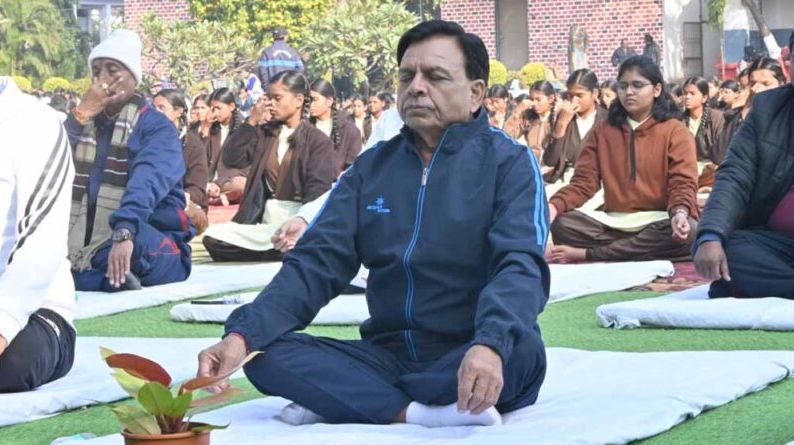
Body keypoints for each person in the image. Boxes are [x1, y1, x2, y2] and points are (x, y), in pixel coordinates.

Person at [196, 20, 548, 428]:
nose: (416, 88)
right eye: (407, 76)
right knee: (265, 356)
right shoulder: (373, 167)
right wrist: (241, 338)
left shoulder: (509, 163)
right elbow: (316, 264)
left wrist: (490, 344)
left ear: (476, 93)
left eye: (435, 76)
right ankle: (417, 413)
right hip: (389, 355)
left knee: (520, 353)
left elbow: (520, 266)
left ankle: (355, 399)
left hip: (470, 348)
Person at [63, 30, 194, 292]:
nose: (102, 80)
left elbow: (147, 182)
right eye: (96, 72)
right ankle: (103, 279)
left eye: (113, 70)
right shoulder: (87, 124)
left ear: (134, 78)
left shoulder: (156, 127)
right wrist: (80, 115)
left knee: (127, 249)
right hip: (85, 240)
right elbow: (48, 161)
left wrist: (125, 230)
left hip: (146, 235)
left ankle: (88, 277)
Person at [547, 56, 699, 263]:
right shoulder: (603, 129)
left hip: (661, 219)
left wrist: (680, 213)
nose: (629, 92)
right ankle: (631, 250)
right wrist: (554, 206)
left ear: (656, 90)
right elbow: (584, 182)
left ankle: (591, 254)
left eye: (637, 85)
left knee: (690, 231)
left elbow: (682, 182)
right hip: (613, 223)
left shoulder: (675, 130)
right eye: (623, 86)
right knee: (562, 224)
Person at [693, 27, 794, 300]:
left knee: (732, 278)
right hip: (779, 243)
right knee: (726, 247)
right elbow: (734, 175)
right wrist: (711, 235)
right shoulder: (767, 109)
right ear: (789, 65)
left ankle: (766, 285)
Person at [201, 71, 336, 262]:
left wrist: (302, 221)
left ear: (298, 100)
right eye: (269, 98)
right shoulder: (264, 134)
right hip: (262, 223)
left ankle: (288, 246)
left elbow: (318, 193)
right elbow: (232, 159)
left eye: (277, 98)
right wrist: (251, 121)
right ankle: (282, 250)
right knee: (213, 236)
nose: (271, 103)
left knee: (299, 237)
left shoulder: (318, 141)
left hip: (297, 220)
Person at [0, 77, 77, 392]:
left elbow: (42, 242)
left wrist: (1, 326)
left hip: (33, 312)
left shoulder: (34, 123)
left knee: (14, 363)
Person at [712, 57, 787, 165]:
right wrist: (747, 108)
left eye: (766, 84)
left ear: (781, 83)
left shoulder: (790, 113)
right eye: (753, 84)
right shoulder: (739, 114)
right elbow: (719, 156)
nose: (758, 89)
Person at [154, 89, 209, 235]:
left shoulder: (193, 144)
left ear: (178, 111)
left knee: (184, 214)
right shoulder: (147, 141)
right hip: (153, 201)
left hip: (182, 202)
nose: (156, 113)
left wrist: (181, 197)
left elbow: (198, 188)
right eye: (154, 108)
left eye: (161, 108)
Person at [543, 69, 606, 184]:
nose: (574, 100)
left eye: (580, 95)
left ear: (595, 94)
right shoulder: (565, 118)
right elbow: (550, 160)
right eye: (570, 95)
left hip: (597, 181)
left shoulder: (608, 120)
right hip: (565, 180)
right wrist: (561, 125)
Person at [309, 79, 362, 176]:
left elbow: (352, 170)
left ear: (329, 101)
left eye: (315, 100)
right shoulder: (304, 129)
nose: (311, 105)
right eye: (309, 100)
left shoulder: (350, 132)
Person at [681, 77, 725, 191]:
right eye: (685, 93)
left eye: (692, 93)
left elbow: (721, 151)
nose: (687, 97)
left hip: (710, 171)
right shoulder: (678, 120)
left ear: (704, 97)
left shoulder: (717, 118)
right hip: (686, 170)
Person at [205, 88, 247, 205]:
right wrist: (206, 127)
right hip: (206, 181)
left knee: (241, 185)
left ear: (231, 106)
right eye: (212, 109)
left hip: (227, 182)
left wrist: (219, 183)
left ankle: (213, 198)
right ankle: (215, 199)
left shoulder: (243, 130)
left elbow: (246, 168)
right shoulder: (210, 128)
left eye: (219, 108)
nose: (215, 112)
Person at [258, 27, 305, 93]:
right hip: (289, 90)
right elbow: (301, 69)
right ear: (284, 37)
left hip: (273, 90)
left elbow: (262, 72)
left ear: (273, 37)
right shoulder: (293, 52)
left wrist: (267, 89)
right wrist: (293, 84)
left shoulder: (266, 52)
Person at [524, 80, 556, 161]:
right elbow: (508, 135)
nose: (534, 103)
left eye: (538, 100)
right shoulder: (529, 118)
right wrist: (517, 112)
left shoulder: (558, 119)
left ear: (551, 98)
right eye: (532, 100)